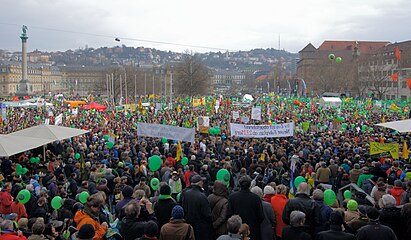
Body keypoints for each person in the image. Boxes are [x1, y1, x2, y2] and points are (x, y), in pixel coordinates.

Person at [228, 176, 264, 240]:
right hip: (252, 230)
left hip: (238, 230)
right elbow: (261, 216)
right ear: (250, 185)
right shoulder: (256, 198)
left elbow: (229, 214)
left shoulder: (232, 197)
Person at [181, 174, 213, 240]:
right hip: (200, 228)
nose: (203, 183)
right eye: (202, 181)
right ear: (199, 183)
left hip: (189, 225)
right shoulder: (202, 196)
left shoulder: (186, 194)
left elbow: (184, 208)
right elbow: (207, 214)